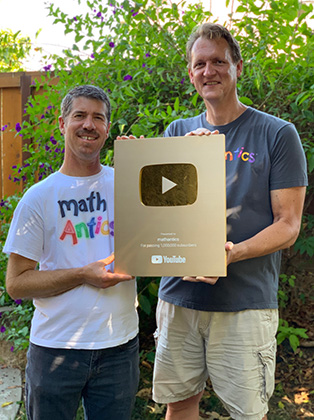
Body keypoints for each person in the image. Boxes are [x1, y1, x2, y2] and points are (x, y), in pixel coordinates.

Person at [152, 23, 308, 420]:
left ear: (237, 66)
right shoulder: (177, 132)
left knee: (247, 413)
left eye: (219, 61)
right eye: (200, 63)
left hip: (244, 304)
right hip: (179, 299)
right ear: (191, 74)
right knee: (180, 404)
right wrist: (182, 161)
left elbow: (288, 225)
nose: (209, 71)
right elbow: (161, 217)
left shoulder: (276, 134)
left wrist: (229, 254)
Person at [4, 85, 139, 420]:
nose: (89, 124)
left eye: (98, 118)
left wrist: (144, 167)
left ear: (108, 129)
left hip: (119, 347)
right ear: (62, 124)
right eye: (79, 115)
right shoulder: (38, 197)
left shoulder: (130, 185)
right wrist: (82, 275)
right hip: (55, 350)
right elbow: (17, 284)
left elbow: (172, 225)